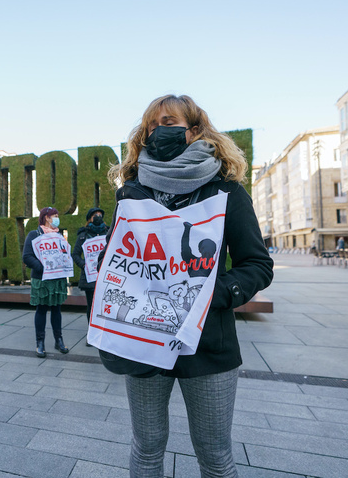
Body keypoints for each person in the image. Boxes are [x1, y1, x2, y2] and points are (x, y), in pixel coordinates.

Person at [104, 95, 274, 477]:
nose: (156, 132)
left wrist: (216, 294)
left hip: (209, 344)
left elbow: (257, 265)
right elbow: (118, 257)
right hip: (143, 342)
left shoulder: (227, 192)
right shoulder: (131, 193)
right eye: (150, 126)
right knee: (146, 450)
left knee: (215, 457)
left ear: (193, 130)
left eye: (166, 122)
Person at [22, 206, 70, 358]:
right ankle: (40, 342)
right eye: (54, 215)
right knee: (41, 309)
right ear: (47, 218)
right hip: (42, 278)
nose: (57, 218)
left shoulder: (59, 235)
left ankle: (59, 340)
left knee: (57, 309)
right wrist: (43, 268)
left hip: (57, 278)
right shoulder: (34, 234)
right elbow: (27, 256)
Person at [72, 207, 108, 346]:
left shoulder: (108, 232)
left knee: (104, 306)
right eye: (95, 215)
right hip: (90, 277)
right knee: (91, 307)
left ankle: (103, 333)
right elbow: (75, 254)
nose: (98, 216)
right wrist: (84, 265)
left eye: (100, 214)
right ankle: (92, 334)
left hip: (105, 277)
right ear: (89, 218)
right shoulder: (83, 234)